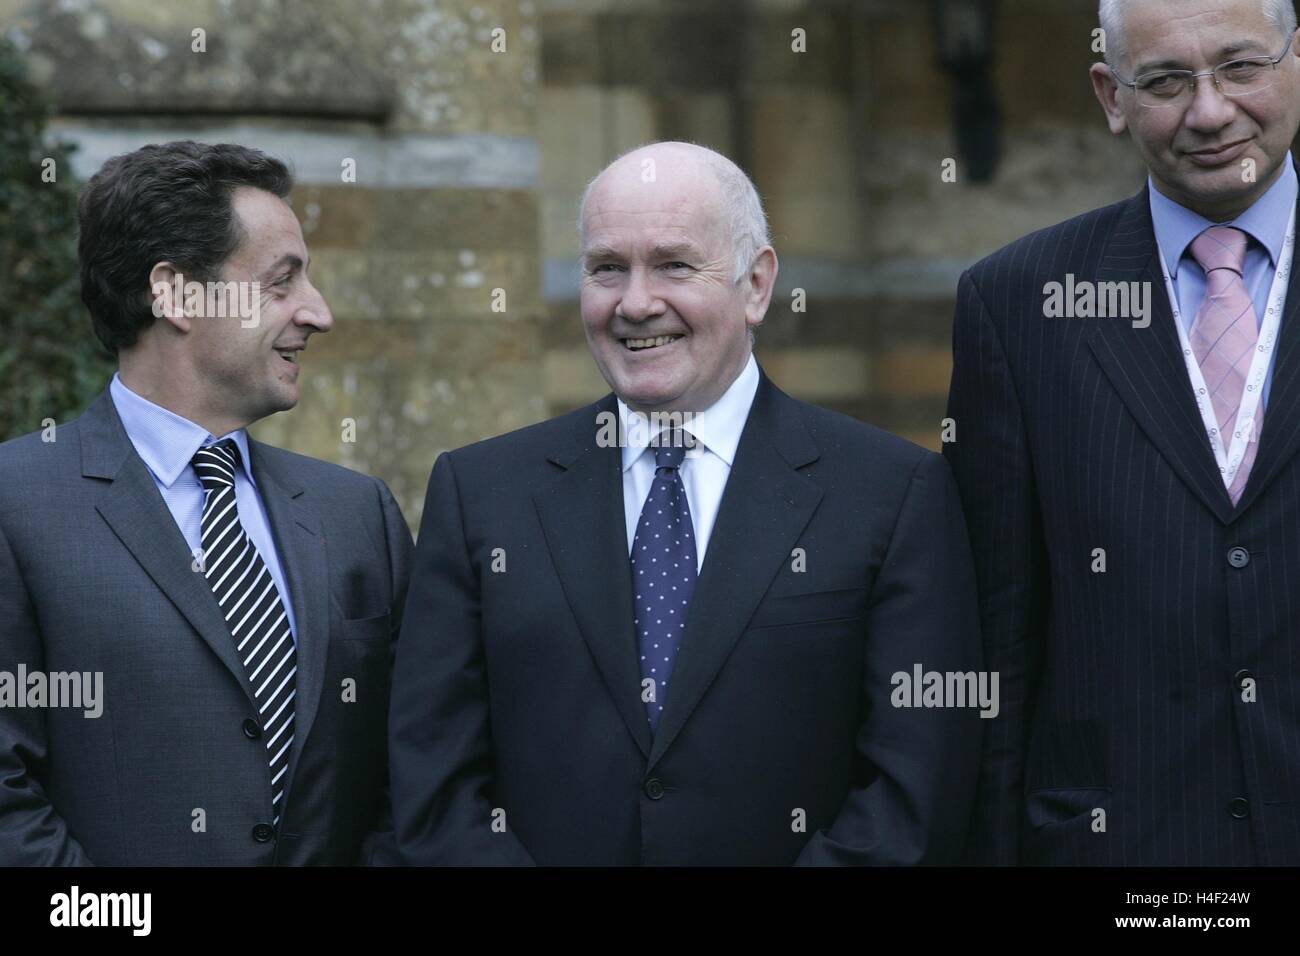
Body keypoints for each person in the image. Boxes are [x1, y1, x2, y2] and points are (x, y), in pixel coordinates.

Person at [391, 141, 984, 865]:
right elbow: (432, 784)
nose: (636, 303)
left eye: (673, 264)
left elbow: (915, 793)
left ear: (757, 284)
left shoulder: (893, 495)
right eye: (607, 268)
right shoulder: (480, 494)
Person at [945, 0, 1300, 865]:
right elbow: (997, 635)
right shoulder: (1018, 303)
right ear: (1111, 95)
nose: (1210, 111)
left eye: (1242, 67)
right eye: (1166, 81)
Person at [0, 141, 412, 865]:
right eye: (282, 283)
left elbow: (409, 772)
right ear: (178, 293)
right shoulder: (17, 503)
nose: (318, 313)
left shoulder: (358, 514)